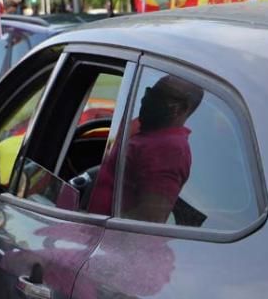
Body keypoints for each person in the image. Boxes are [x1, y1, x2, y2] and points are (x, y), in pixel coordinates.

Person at [87, 75, 204, 223]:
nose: (146, 99)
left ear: (181, 108)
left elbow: (149, 219)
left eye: (158, 96)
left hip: (107, 239)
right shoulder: (149, 131)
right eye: (149, 92)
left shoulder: (168, 149)